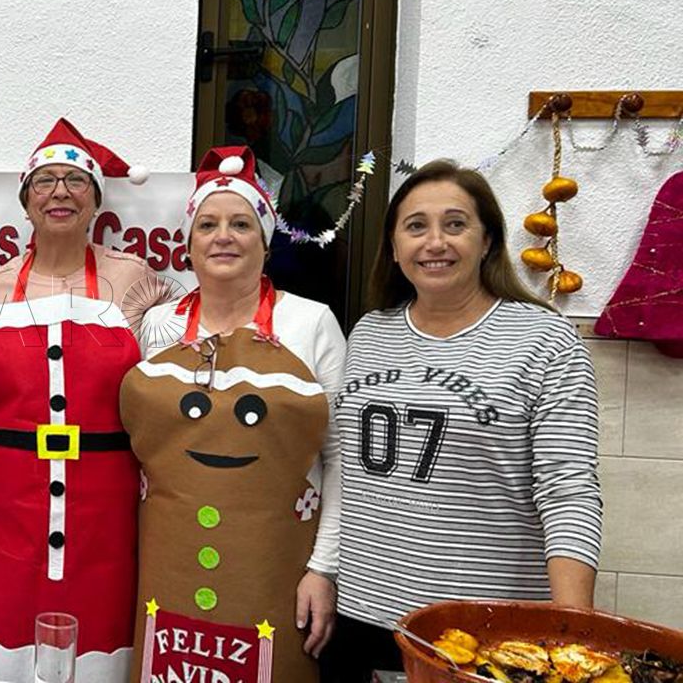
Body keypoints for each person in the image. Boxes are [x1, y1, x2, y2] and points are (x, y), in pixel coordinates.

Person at [319, 159, 603, 682]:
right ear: (394, 244)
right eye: (416, 226)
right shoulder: (368, 334)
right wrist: (324, 570)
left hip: (485, 632)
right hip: (361, 616)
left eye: (455, 224)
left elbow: (569, 493)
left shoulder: (546, 342)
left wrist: (571, 637)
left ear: (488, 240)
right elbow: (346, 472)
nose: (435, 242)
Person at [0, 119, 174, 682]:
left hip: (105, 509)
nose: (60, 193)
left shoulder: (137, 280)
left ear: (96, 201)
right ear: (26, 202)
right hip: (1, 505)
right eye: (45, 182)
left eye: (75, 181)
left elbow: (166, 386)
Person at [122, 146, 344, 683]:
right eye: (209, 225)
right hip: (166, 555)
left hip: (275, 561)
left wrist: (325, 569)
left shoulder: (311, 323)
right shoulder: (158, 328)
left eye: (242, 224)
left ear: (265, 244)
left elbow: (340, 461)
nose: (224, 236)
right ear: (189, 244)